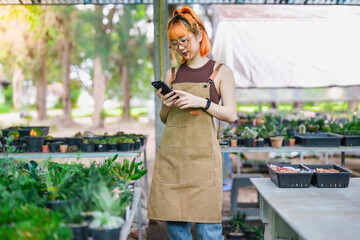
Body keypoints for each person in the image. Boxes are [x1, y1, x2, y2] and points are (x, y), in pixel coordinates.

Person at [148, 6, 237, 240]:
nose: (179, 48)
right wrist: (165, 103)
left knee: (208, 229)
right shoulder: (172, 75)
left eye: (184, 40)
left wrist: (202, 102)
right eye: (174, 43)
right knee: (176, 228)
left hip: (203, 161)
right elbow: (165, 119)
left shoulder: (220, 72)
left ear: (199, 35)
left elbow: (231, 115)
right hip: (172, 160)